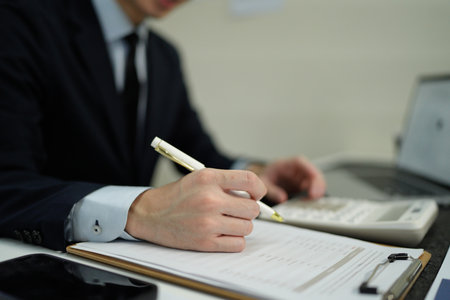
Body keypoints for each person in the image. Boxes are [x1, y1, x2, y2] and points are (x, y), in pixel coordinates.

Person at [0, 0, 326, 252]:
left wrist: (255, 172)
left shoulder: (164, 57)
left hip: (135, 274)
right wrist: (138, 211)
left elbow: (195, 152)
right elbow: (8, 182)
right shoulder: (20, 22)